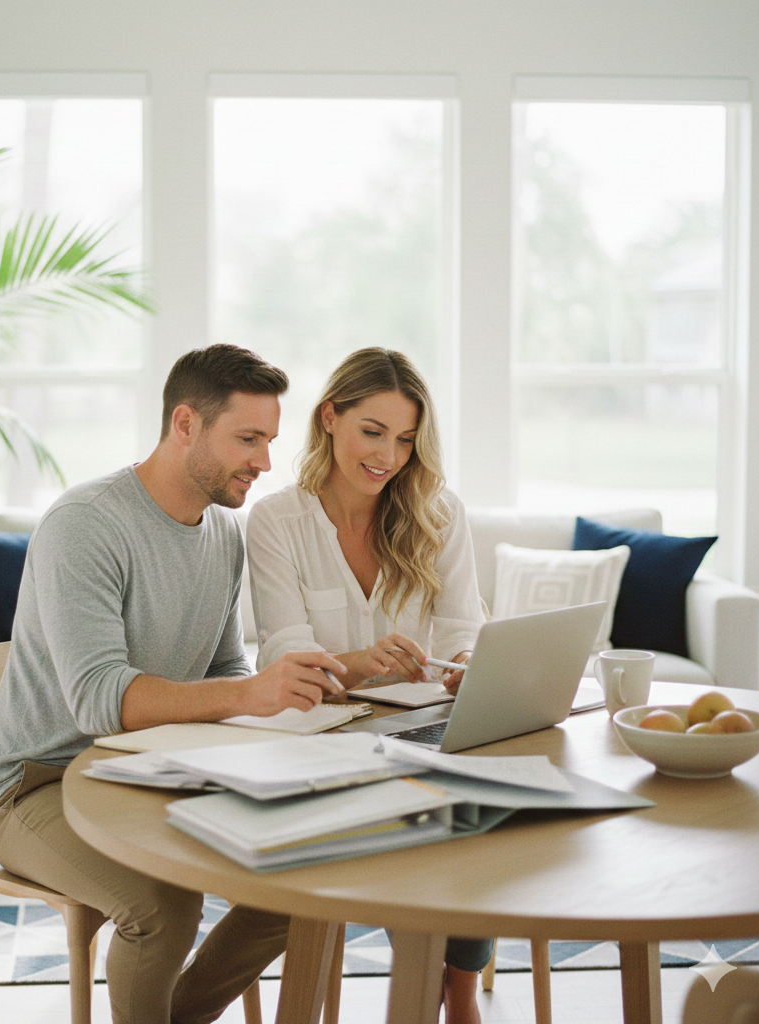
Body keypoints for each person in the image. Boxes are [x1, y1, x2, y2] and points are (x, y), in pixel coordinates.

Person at [0, 344, 346, 1024]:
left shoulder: (224, 536)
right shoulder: (86, 524)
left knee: (304, 876)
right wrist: (248, 695)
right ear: (184, 425)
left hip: (148, 770)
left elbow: (225, 669)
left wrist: (287, 705)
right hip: (35, 783)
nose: (264, 461)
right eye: (247, 438)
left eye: (268, 440)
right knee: (162, 909)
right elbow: (98, 699)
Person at [245, 347, 490, 1024]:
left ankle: (457, 989)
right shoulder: (276, 521)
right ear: (330, 418)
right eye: (372, 432)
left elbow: (464, 625)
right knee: (418, 823)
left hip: (422, 731)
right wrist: (358, 663)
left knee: (477, 801)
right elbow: (288, 654)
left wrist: (468, 659)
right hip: (322, 741)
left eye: (407, 439)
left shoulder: (438, 513)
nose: (389, 456)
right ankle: (426, 980)